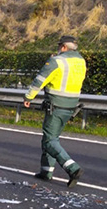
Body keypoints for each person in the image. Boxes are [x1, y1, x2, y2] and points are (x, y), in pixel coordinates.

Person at [23, 35, 87, 187]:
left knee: (50, 140)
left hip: (56, 105)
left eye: (59, 46)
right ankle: (46, 172)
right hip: (71, 106)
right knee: (53, 138)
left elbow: (40, 80)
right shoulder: (81, 61)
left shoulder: (57, 61)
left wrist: (28, 97)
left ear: (64, 47)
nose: (58, 49)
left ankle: (73, 168)